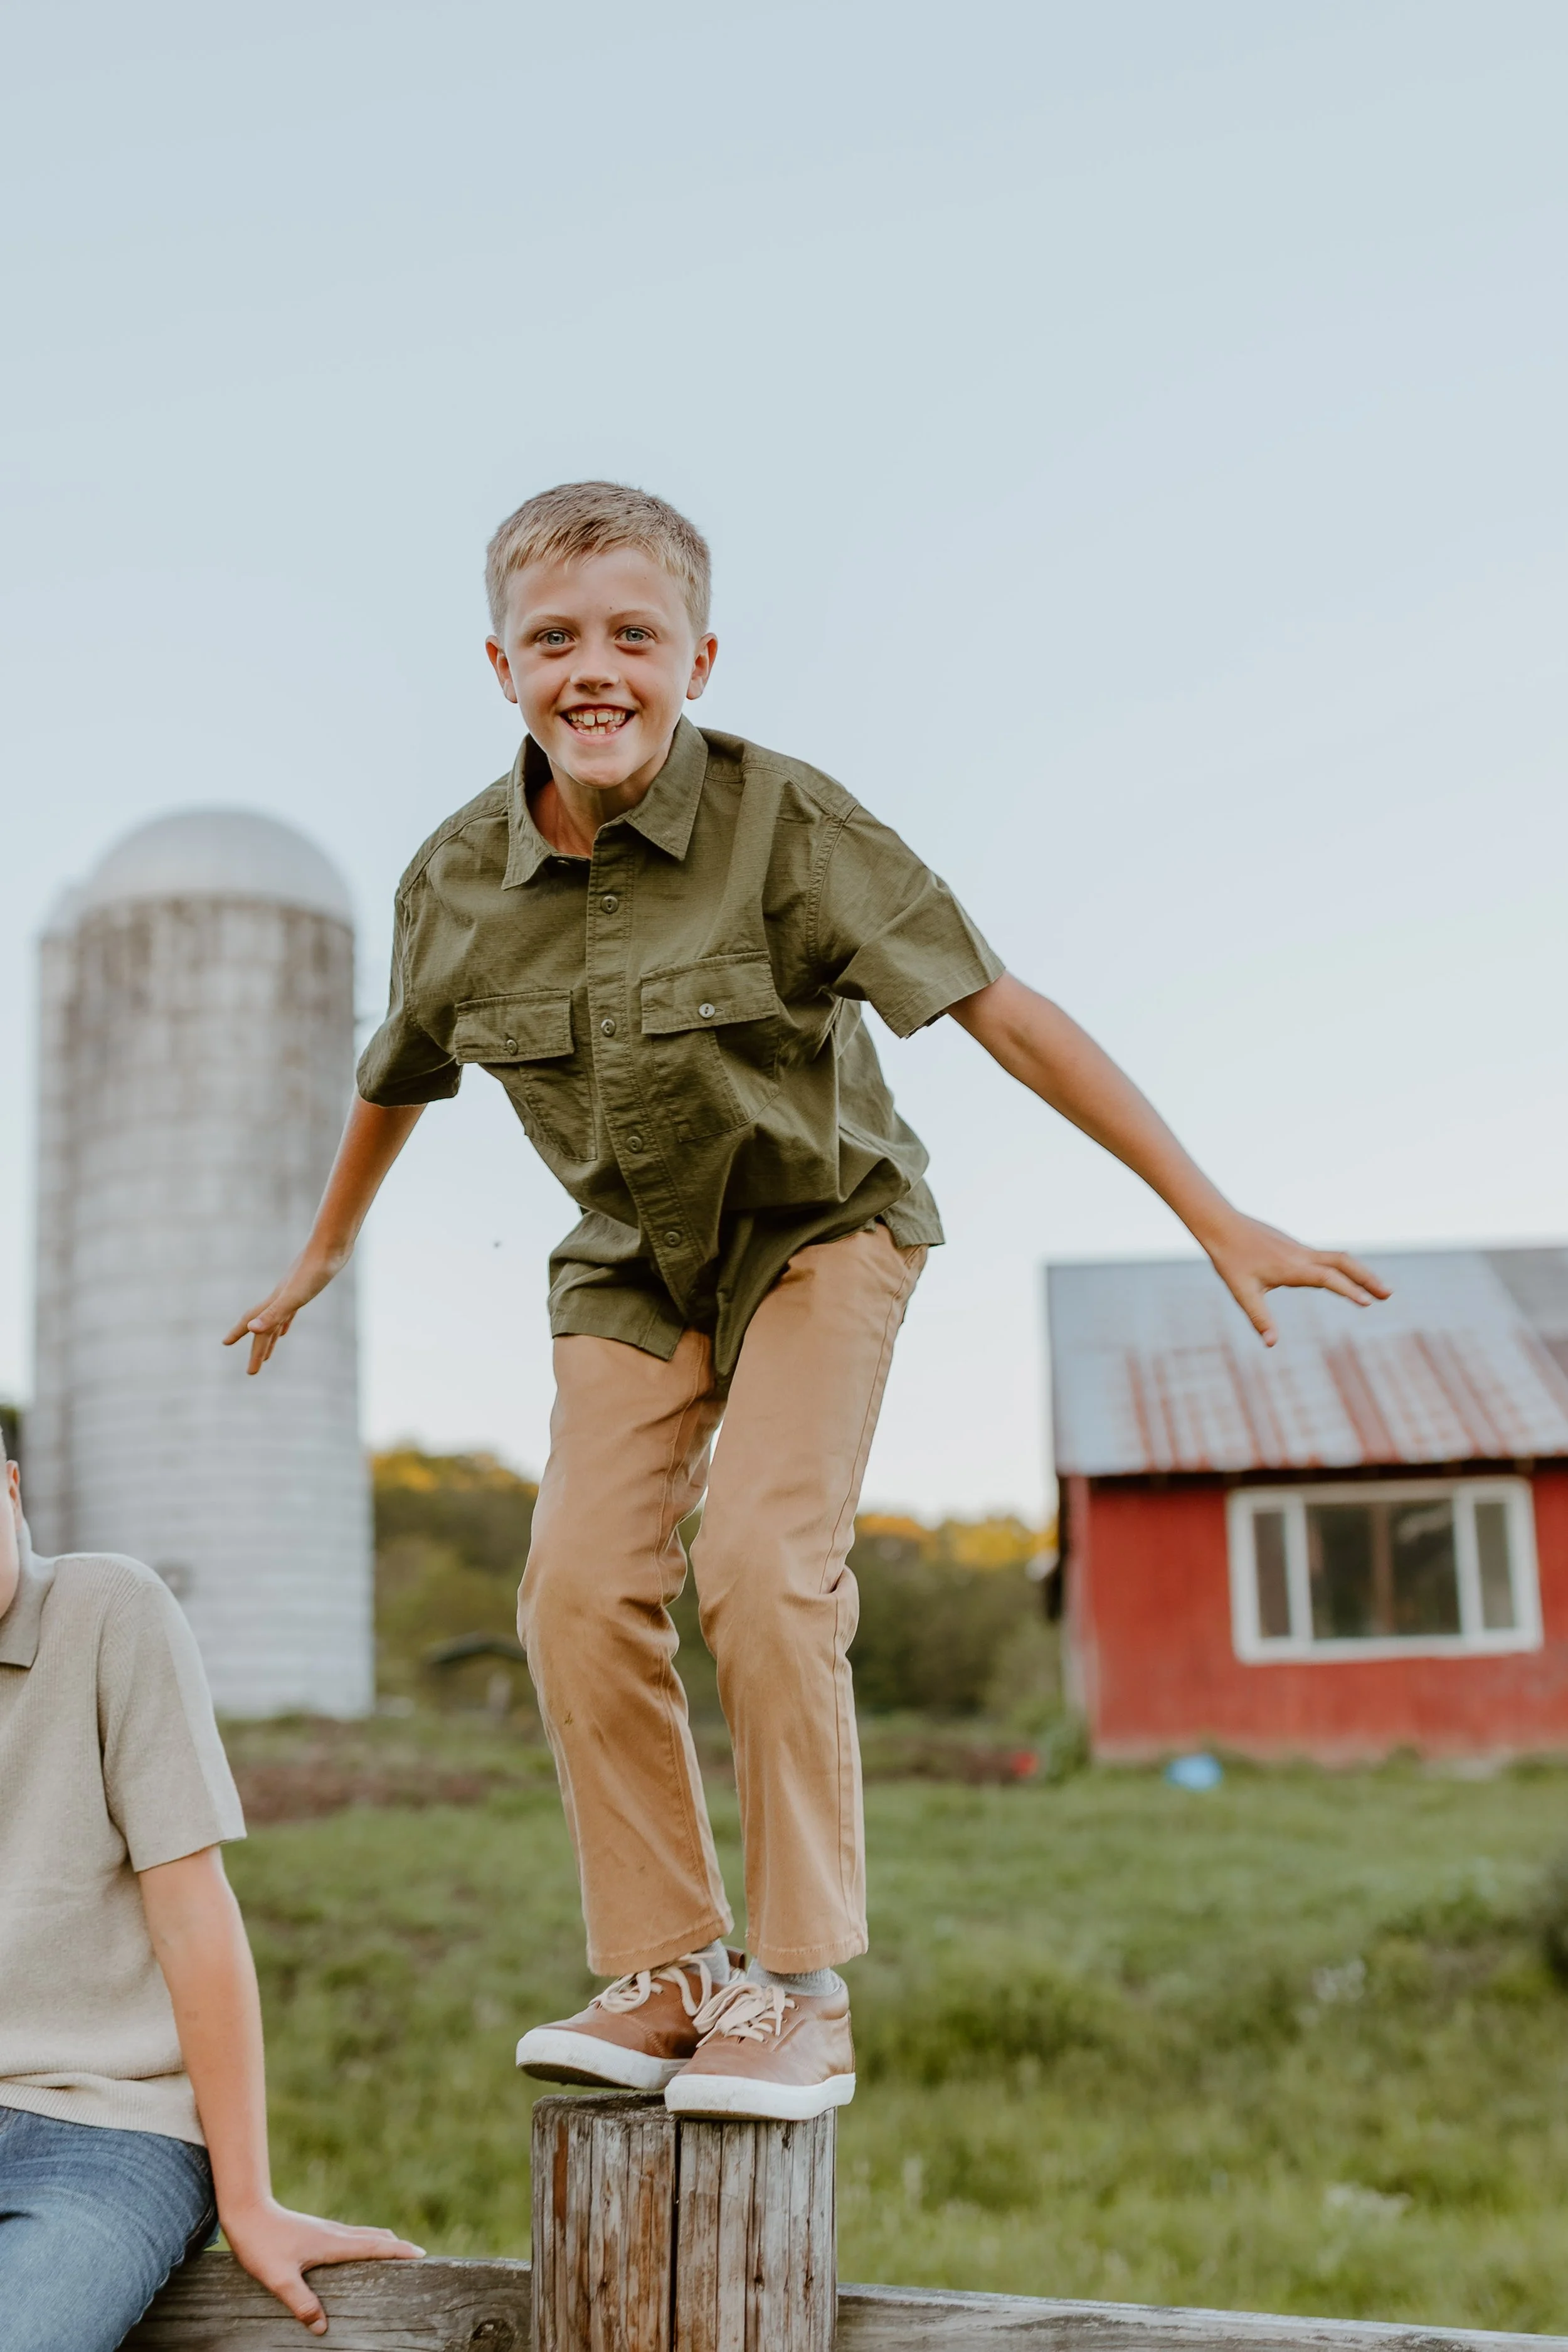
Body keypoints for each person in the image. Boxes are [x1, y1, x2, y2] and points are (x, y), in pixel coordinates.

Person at [227, 480, 1387, 2124]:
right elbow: (392, 1076)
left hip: (820, 1228)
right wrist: (320, 1252)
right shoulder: (454, 884)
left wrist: (1208, 1210)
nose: (595, 669)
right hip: (632, 1257)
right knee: (568, 1585)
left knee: (764, 1563)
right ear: (500, 664)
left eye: (634, 633)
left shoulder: (795, 830)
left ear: (698, 651)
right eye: (555, 638)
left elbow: (1005, 1011)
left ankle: (795, 1983)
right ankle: (665, 1965)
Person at [0, 1425, 421, 2348]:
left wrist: (251, 2201)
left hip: (106, 2127)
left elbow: (195, 1918)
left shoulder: (112, 1609)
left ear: (13, 1486)